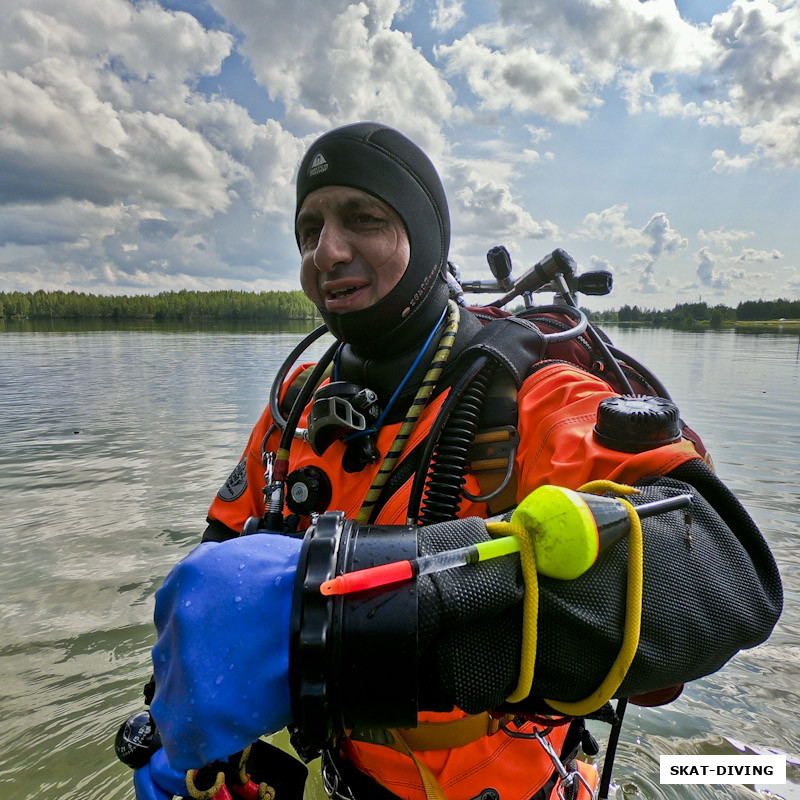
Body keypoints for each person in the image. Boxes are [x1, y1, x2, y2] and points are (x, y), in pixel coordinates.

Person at [130, 123, 783, 800]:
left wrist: (344, 625)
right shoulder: (297, 404)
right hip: (347, 779)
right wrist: (171, 709)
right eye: (308, 228)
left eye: (364, 219)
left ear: (425, 236)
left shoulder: (534, 393)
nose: (326, 250)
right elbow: (214, 575)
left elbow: (720, 567)